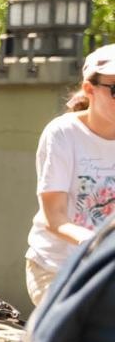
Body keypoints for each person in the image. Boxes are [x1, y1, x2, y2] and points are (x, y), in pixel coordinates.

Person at [25, 43, 115, 305]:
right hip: (56, 268)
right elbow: (55, 218)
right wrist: (99, 243)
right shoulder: (63, 133)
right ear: (89, 89)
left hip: (106, 269)